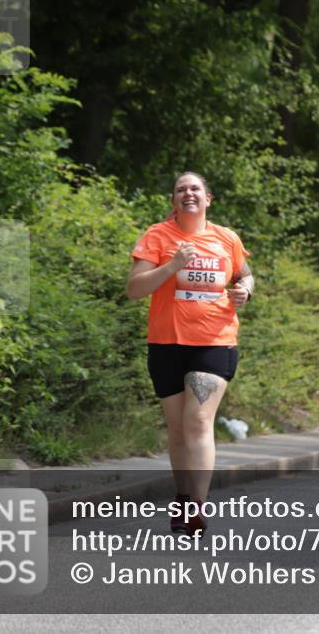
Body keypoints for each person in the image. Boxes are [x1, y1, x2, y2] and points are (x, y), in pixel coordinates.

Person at [126, 172, 253, 535]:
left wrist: (246, 289)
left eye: (194, 188)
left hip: (215, 342)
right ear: (174, 200)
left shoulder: (226, 238)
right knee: (178, 428)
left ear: (208, 198)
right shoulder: (158, 236)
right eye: (181, 189)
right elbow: (134, 289)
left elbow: (245, 275)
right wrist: (171, 266)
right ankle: (182, 499)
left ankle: (197, 507)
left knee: (198, 421)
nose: (188, 193)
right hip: (167, 344)